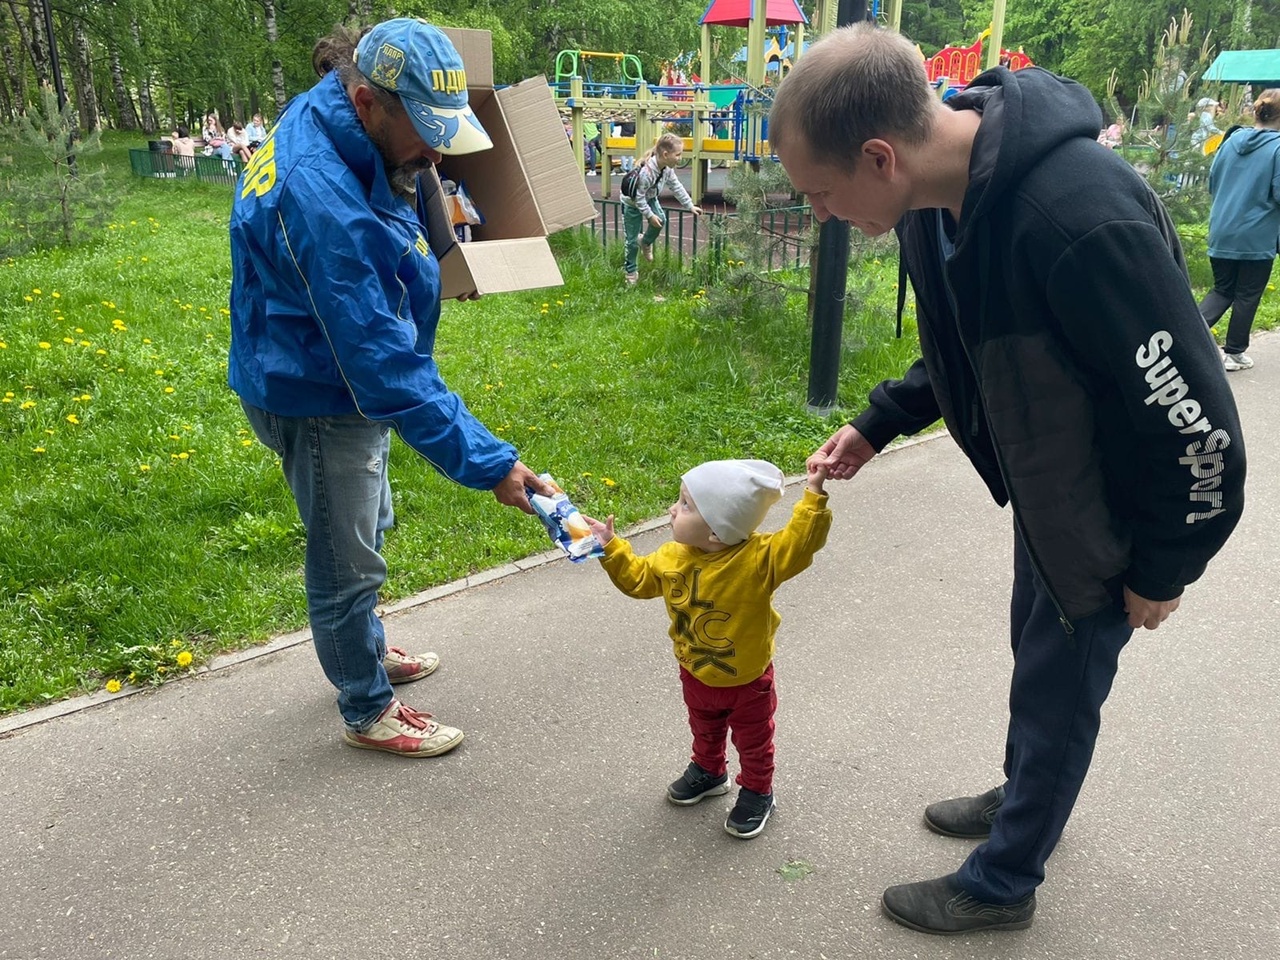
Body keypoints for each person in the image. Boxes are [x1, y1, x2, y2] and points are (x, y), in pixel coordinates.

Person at [770, 24, 1245, 934]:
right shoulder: (933, 201)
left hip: (1105, 512)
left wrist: (1164, 567)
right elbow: (969, 347)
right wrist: (879, 423)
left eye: (820, 194)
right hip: (1050, 489)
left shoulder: (1077, 218)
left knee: (1065, 685)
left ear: (879, 156)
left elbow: (1199, 423)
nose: (821, 214)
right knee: (1040, 665)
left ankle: (1003, 882)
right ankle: (1027, 793)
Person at [228, 18, 553, 758]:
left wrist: (435, 263)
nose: (437, 154)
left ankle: (361, 648)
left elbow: (392, 212)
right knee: (347, 562)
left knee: (367, 527)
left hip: (319, 361)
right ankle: (366, 707)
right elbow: (382, 364)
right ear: (370, 100)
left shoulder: (335, 109)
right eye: (425, 133)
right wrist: (491, 463)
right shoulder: (321, 194)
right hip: (314, 388)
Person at [581, 459, 831, 839]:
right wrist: (612, 548)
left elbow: (800, 542)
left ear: (716, 531)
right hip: (694, 669)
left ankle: (758, 791)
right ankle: (710, 770)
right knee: (704, 728)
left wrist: (813, 494)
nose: (671, 509)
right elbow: (638, 581)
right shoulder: (670, 557)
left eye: (684, 505)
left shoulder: (759, 561)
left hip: (747, 680)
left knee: (754, 741)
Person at [1198, 88, 1280, 372]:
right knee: (1247, 294)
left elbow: (1212, 182)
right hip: (1256, 238)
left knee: (1222, 290)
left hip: (1222, 229)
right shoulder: (1278, 148)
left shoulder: (1230, 140)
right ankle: (1234, 353)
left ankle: (1186, 337)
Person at [620, 132, 703, 284]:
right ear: (665, 154)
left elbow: (676, 186)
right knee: (631, 241)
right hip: (632, 203)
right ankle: (631, 272)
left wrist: (689, 205)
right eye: (678, 155)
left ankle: (645, 242)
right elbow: (638, 199)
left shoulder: (666, 168)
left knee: (661, 219)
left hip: (649, 198)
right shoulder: (647, 173)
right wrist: (650, 216)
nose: (680, 158)